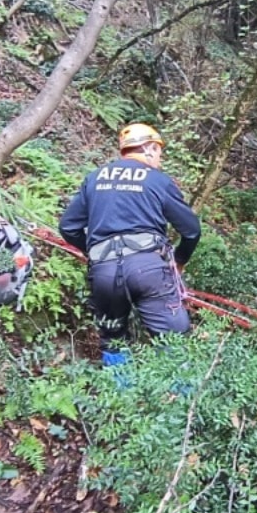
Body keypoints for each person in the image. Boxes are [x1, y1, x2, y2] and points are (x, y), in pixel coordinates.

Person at [58, 123, 202, 365]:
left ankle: (119, 387)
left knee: (112, 340)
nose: (160, 159)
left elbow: (68, 227)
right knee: (174, 340)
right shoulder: (157, 180)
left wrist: (95, 253)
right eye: (159, 151)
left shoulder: (95, 178)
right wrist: (179, 261)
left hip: (104, 273)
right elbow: (191, 230)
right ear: (149, 148)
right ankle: (179, 388)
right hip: (148, 269)